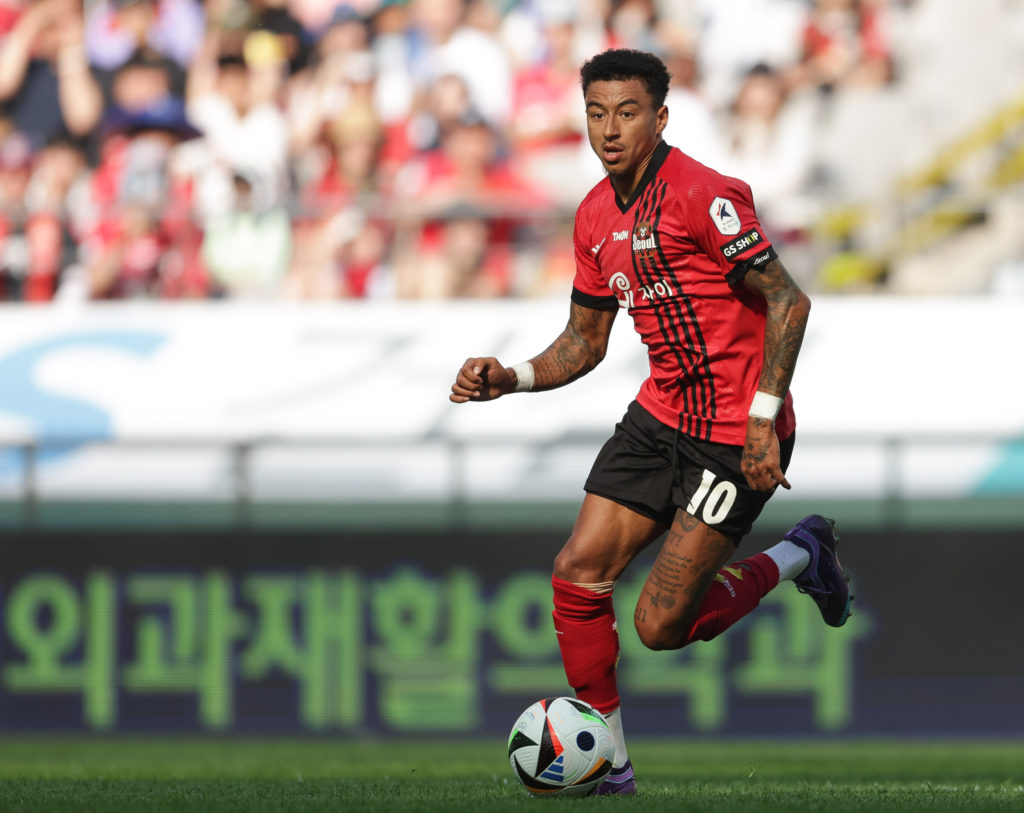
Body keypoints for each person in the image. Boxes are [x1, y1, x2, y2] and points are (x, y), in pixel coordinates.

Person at [449, 48, 852, 796]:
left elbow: (789, 301)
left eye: (627, 112)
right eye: (597, 113)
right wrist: (513, 377)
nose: (610, 129)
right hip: (660, 416)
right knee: (577, 570)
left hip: (737, 430)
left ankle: (802, 552)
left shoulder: (705, 194)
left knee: (661, 627)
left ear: (660, 117)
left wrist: (764, 419)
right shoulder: (594, 216)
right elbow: (584, 342)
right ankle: (612, 768)